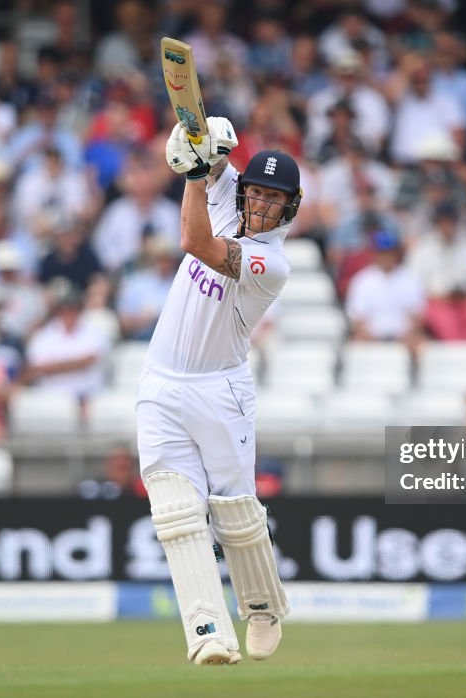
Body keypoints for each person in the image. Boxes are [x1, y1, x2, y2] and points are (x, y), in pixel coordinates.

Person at [140, 116, 298, 665]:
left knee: (233, 509)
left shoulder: (270, 263)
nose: (257, 204)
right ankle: (207, 629)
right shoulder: (229, 194)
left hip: (219, 389)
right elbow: (207, 162)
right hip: (160, 381)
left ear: (289, 208)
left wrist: (191, 174)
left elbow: (194, 240)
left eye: (272, 198)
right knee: (175, 511)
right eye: (254, 191)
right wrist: (197, 145)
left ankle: (260, 606)